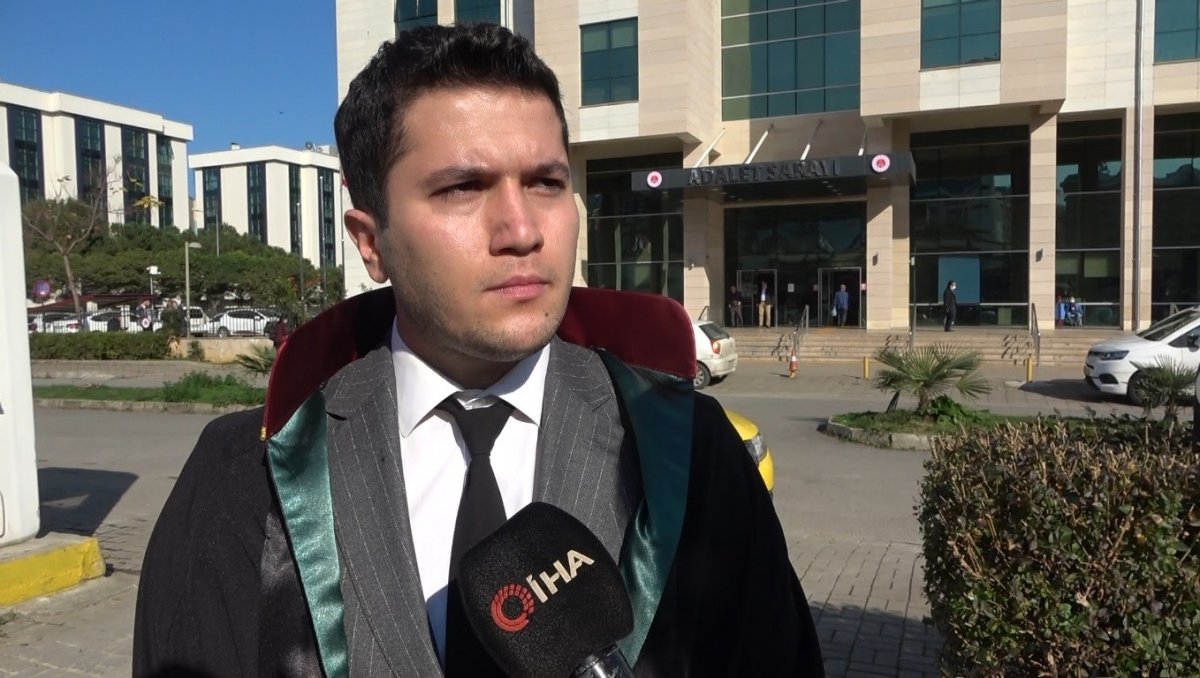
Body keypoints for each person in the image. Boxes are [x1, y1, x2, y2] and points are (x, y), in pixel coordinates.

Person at [133, 24, 823, 678]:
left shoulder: (687, 453)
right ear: (370, 243)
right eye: (463, 187)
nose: (522, 230)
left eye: (546, 182)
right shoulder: (249, 474)